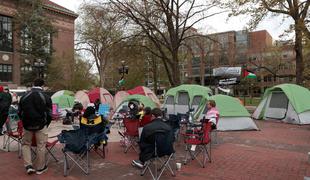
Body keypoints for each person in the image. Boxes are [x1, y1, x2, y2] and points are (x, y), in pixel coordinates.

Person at [18, 79, 52, 175]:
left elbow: (19, 112)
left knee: (25, 144)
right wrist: (46, 124)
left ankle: (28, 165)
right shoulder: (45, 97)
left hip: (27, 125)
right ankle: (40, 168)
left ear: (33, 84)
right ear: (43, 85)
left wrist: (24, 121)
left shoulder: (24, 96)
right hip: (41, 125)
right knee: (41, 146)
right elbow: (49, 113)